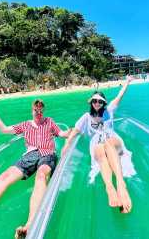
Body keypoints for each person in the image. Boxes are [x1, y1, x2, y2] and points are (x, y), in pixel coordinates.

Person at [0, 99, 71, 238]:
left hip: (47, 154)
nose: (38, 112)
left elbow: (62, 134)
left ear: (43, 111)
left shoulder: (49, 122)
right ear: (32, 110)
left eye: (41, 110)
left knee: (41, 176)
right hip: (30, 155)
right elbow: (4, 129)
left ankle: (30, 225)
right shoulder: (25, 125)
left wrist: (75, 130)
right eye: (36, 110)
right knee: (5, 176)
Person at [61, 77, 136, 213]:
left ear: (103, 102)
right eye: (94, 101)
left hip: (113, 140)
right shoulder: (86, 117)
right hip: (97, 145)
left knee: (107, 142)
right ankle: (109, 187)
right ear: (91, 102)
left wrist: (127, 82)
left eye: (99, 101)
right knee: (101, 150)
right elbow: (75, 131)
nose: (97, 103)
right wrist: (66, 145)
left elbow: (120, 95)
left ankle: (120, 183)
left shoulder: (109, 110)